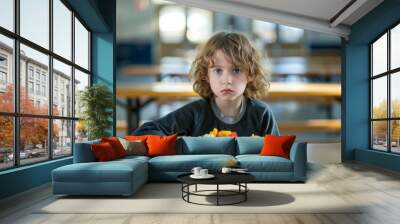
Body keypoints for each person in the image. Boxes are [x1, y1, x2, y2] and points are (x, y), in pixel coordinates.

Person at [132, 32, 279, 137]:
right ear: (206, 75)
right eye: (218, 71)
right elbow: (145, 131)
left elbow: (278, 155)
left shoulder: (261, 114)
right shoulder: (195, 113)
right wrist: (177, 145)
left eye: (236, 70)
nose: (227, 80)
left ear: (251, 74)